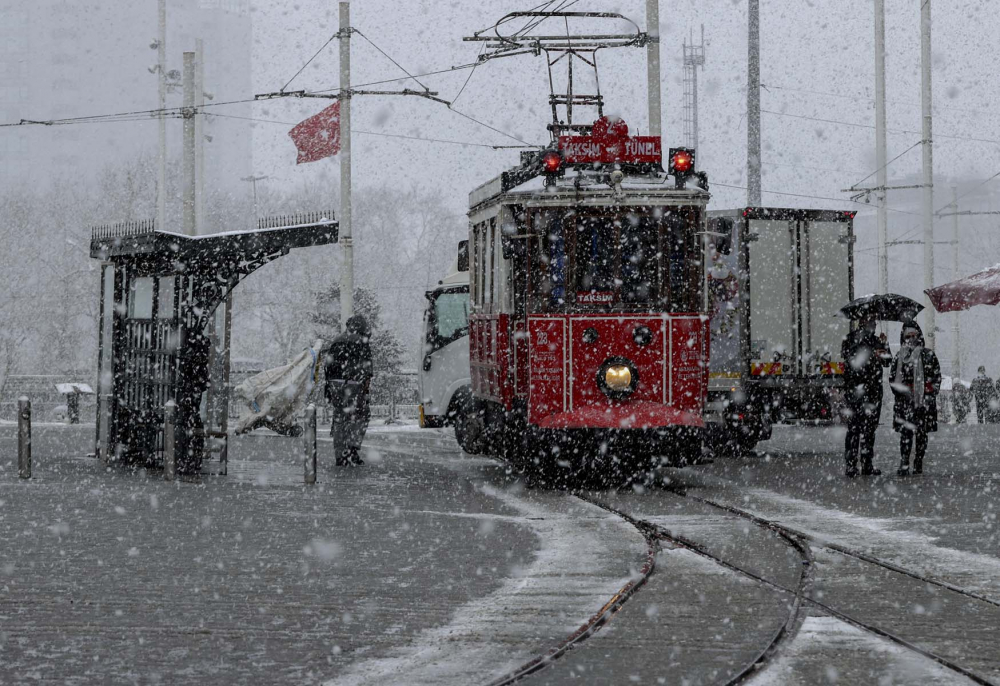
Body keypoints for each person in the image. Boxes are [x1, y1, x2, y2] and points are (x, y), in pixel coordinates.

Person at [841, 317, 891, 477]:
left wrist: (885, 345)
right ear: (862, 323)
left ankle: (867, 464)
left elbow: (887, 362)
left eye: (874, 323)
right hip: (856, 391)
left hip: (873, 392)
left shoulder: (877, 340)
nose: (874, 326)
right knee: (854, 429)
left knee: (869, 430)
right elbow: (852, 362)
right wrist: (871, 355)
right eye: (871, 323)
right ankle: (851, 465)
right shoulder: (851, 339)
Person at [890, 321, 941, 476]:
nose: (911, 339)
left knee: (921, 433)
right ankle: (904, 462)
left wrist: (929, 392)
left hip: (923, 401)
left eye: (914, 335)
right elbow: (893, 379)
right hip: (905, 402)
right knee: (905, 434)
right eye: (908, 336)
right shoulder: (899, 356)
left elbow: (936, 377)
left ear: (919, 336)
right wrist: (904, 392)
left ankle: (918, 461)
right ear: (903, 337)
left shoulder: (928, 354)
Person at [323, 315, 374, 466]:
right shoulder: (362, 341)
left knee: (340, 417)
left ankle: (340, 455)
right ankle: (352, 449)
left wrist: (330, 386)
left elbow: (328, 365)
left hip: (335, 384)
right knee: (361, 416)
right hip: (355, 383)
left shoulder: (337, 340)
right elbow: (367, 368)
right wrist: (364, 387)